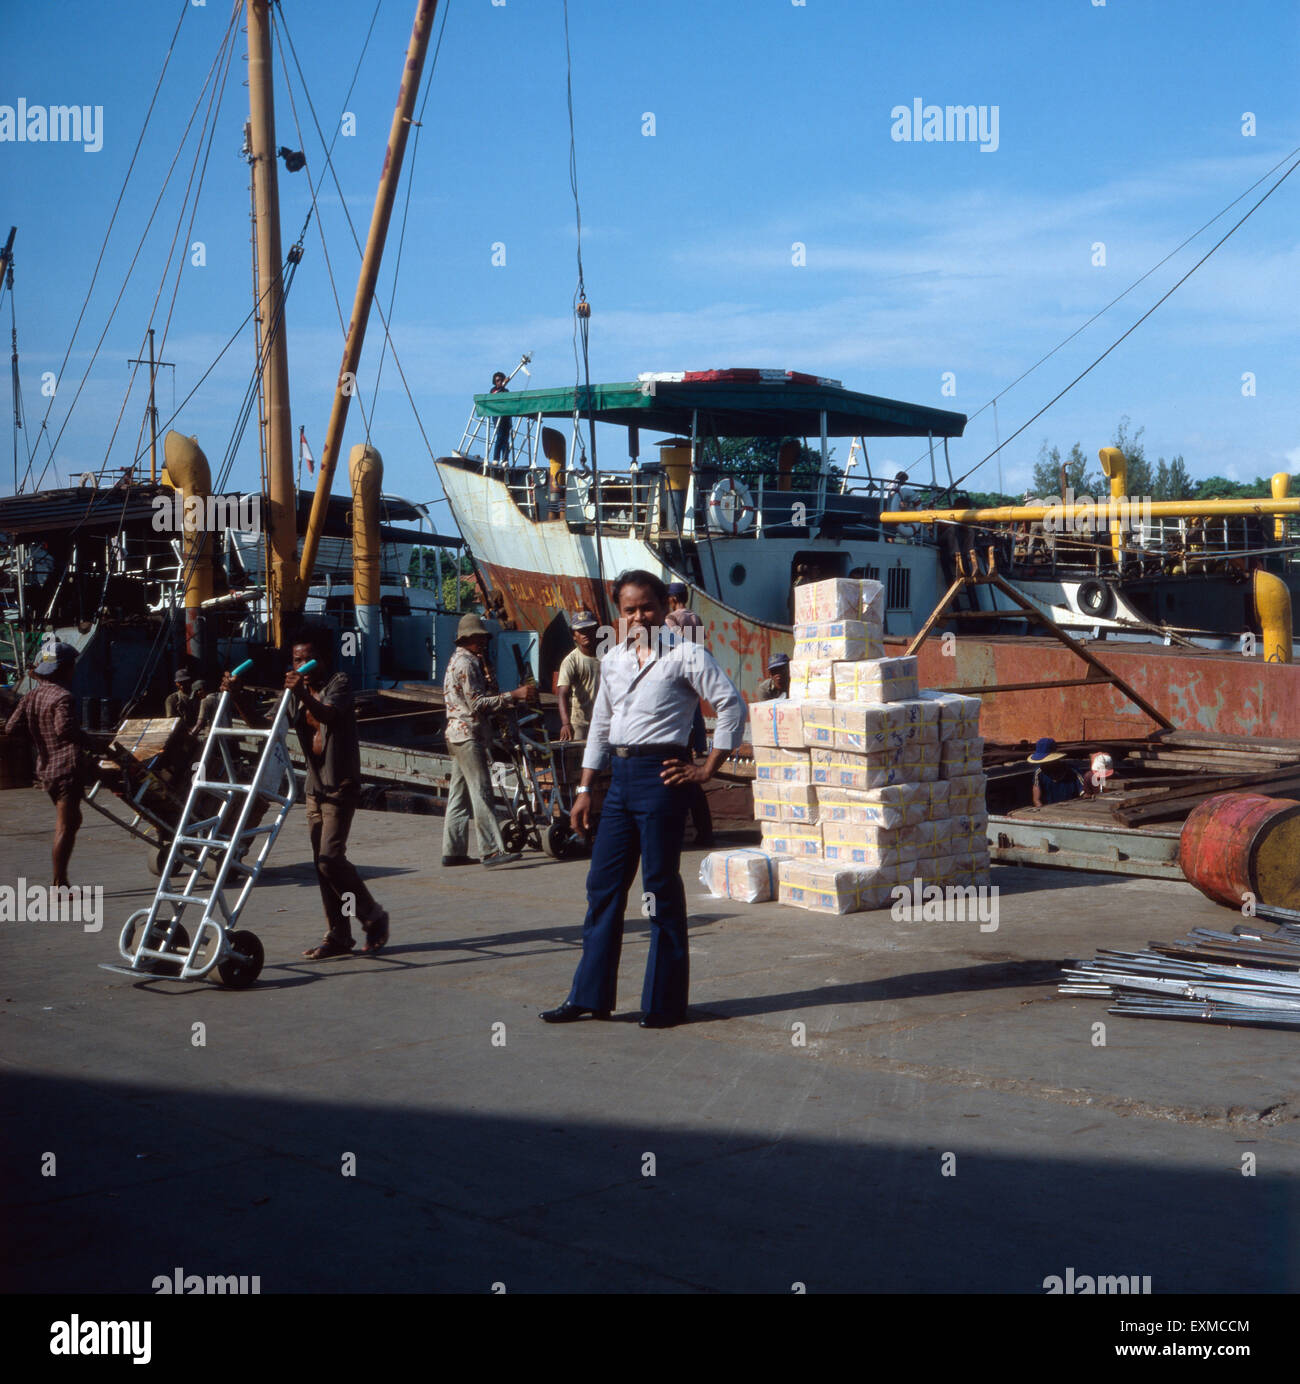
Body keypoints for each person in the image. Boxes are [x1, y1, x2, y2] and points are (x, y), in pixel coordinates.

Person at [540, 570, 746, 1030]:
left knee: (658, 888)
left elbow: (730, 704)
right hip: (620, 781)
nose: (638, 617)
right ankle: (590, 996)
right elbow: (600, 726)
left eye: (646, 607)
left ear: (662, 607)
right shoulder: (612, 660)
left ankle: (665, 1004)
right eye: (629, 610)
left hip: (663, 778)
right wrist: (584, 789)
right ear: (620, 614)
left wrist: (706, 768)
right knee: (603, 886)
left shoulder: (687, 655)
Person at [225, 629, 390, 958]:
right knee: (323, 865)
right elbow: (264, 725)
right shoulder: (294, 696)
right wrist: (238, 695)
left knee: (331, 860)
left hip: (340, 785)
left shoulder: (338, 684)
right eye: (296, 661)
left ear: (323, 660)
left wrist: (300, 693)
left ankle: (372, 915)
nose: (301, 666)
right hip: (315, 788)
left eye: (306, 660)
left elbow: (328, 713)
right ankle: (340, 935)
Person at [442, 612, 537, 867]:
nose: (483, 643)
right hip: (468, 734)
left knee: (458, 796)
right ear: (469, 638)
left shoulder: (457, 660)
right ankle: (491, 850)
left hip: (456, 734)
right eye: (479, 639)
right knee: (481, 792)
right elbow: (477, 704)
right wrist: (512, 695)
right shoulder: (468, 663)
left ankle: (453, 851)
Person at [4, 641, 88, 886]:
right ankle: (59, 884)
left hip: (46, 769)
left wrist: (38, 732)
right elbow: (65, 729)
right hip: (67, 769)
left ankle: (60, 881)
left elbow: (11, 728)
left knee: (72, 820)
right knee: (65, 826)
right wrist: (91, 741)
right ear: (64, 669)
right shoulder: (64, 697)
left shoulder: (31, 696)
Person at [557, 609, 601, 742]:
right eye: (581, 631)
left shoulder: (607, 656)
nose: (585, 634)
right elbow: (562, 693)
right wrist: (566, 724)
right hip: (581, 723)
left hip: (603, 721)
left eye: (589, 629)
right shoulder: (571, 661)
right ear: (574, 635)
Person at [1028, 737, 1087, 807]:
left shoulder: (1073, 771)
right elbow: (1037, 800)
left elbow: (1085, 794)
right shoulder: (1039, 773)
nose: (1044, 764)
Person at [489, 370, 511, 465]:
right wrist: (502, 386)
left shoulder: (506, 391)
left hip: (506, 417)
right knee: (500, 436)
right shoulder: (493, 390)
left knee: (506, 439)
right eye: (497, 380)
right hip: (497, 417)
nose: (499, 382)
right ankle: (496, 458)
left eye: (501, 380)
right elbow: (495, 396)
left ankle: (505, 459)